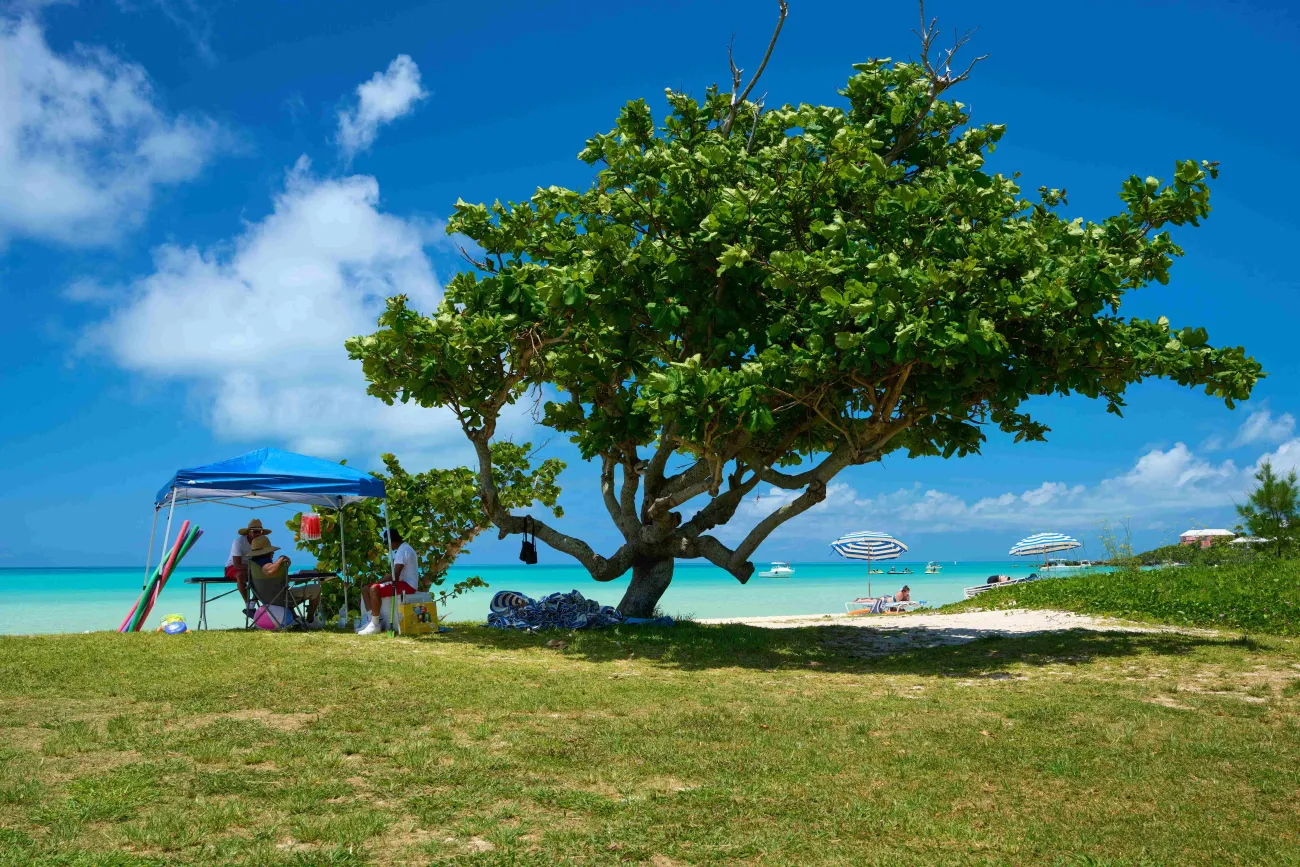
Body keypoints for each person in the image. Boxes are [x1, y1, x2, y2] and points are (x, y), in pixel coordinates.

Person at [246, 535, 322, 626]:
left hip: (265, 599)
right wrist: (282, 558)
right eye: (271, 551)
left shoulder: (253, 565)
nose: (273, 553)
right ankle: (310, 620)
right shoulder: (264, 563)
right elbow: (269, 571)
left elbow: (271, 581)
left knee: (292, 588)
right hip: (282, 598)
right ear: (267, 552)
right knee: (316, 589)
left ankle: (295, 618)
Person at [357, 529, 420, 635]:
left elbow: (395, 575)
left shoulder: (403, 551)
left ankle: (375, 624)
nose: (388, 546)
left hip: (408, 585)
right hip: (403, 583)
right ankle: (369, 620)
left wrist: (377, 582)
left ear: (394, 541)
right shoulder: (403, 548)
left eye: (388, 543)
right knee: (365, 589)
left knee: (374, 588)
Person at [225, 518, 270, 610]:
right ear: (249, 532)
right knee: (240, 575)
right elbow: (237, 565)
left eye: (260, 532)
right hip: (233, 566)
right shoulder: (239, 542)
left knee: (263, 576)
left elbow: (268, 560)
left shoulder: (263, 542)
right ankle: (247, 603)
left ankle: (254, 600)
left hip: (252, 566)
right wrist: (256, 568)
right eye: (255, 532)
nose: (257, 534)